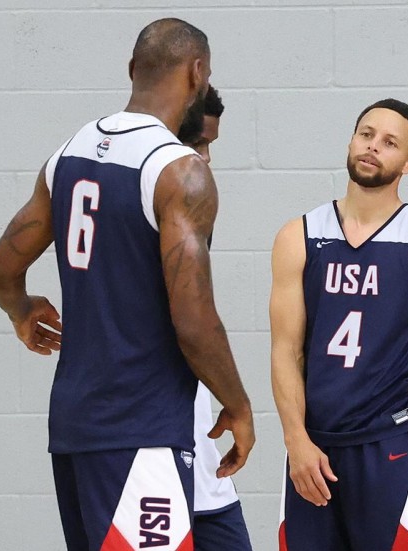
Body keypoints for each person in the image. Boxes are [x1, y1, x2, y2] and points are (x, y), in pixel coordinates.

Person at [0, 19, 255, 551]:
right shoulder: (179, 171)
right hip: (140, 430)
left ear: (133, 69)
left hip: (75, 426)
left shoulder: (68, 153)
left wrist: (22, 309)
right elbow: (194, 322)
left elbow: (1, 272)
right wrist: (239, 405)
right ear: (198, 72)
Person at [269, 98, 408, 551]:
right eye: (366, 134)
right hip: (314, 447)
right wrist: (295, 440)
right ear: (351, 141)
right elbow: (285, 351)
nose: (373, 146)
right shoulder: (299, 235)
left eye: (390, 143)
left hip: (387, 445)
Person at [174, 85, 253, 551]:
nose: (204, 157)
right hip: (149, 445)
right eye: (196, 143)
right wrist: (239, 406)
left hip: (199, 447)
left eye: (209, 145)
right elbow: (194, 324)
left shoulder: (192, 201)